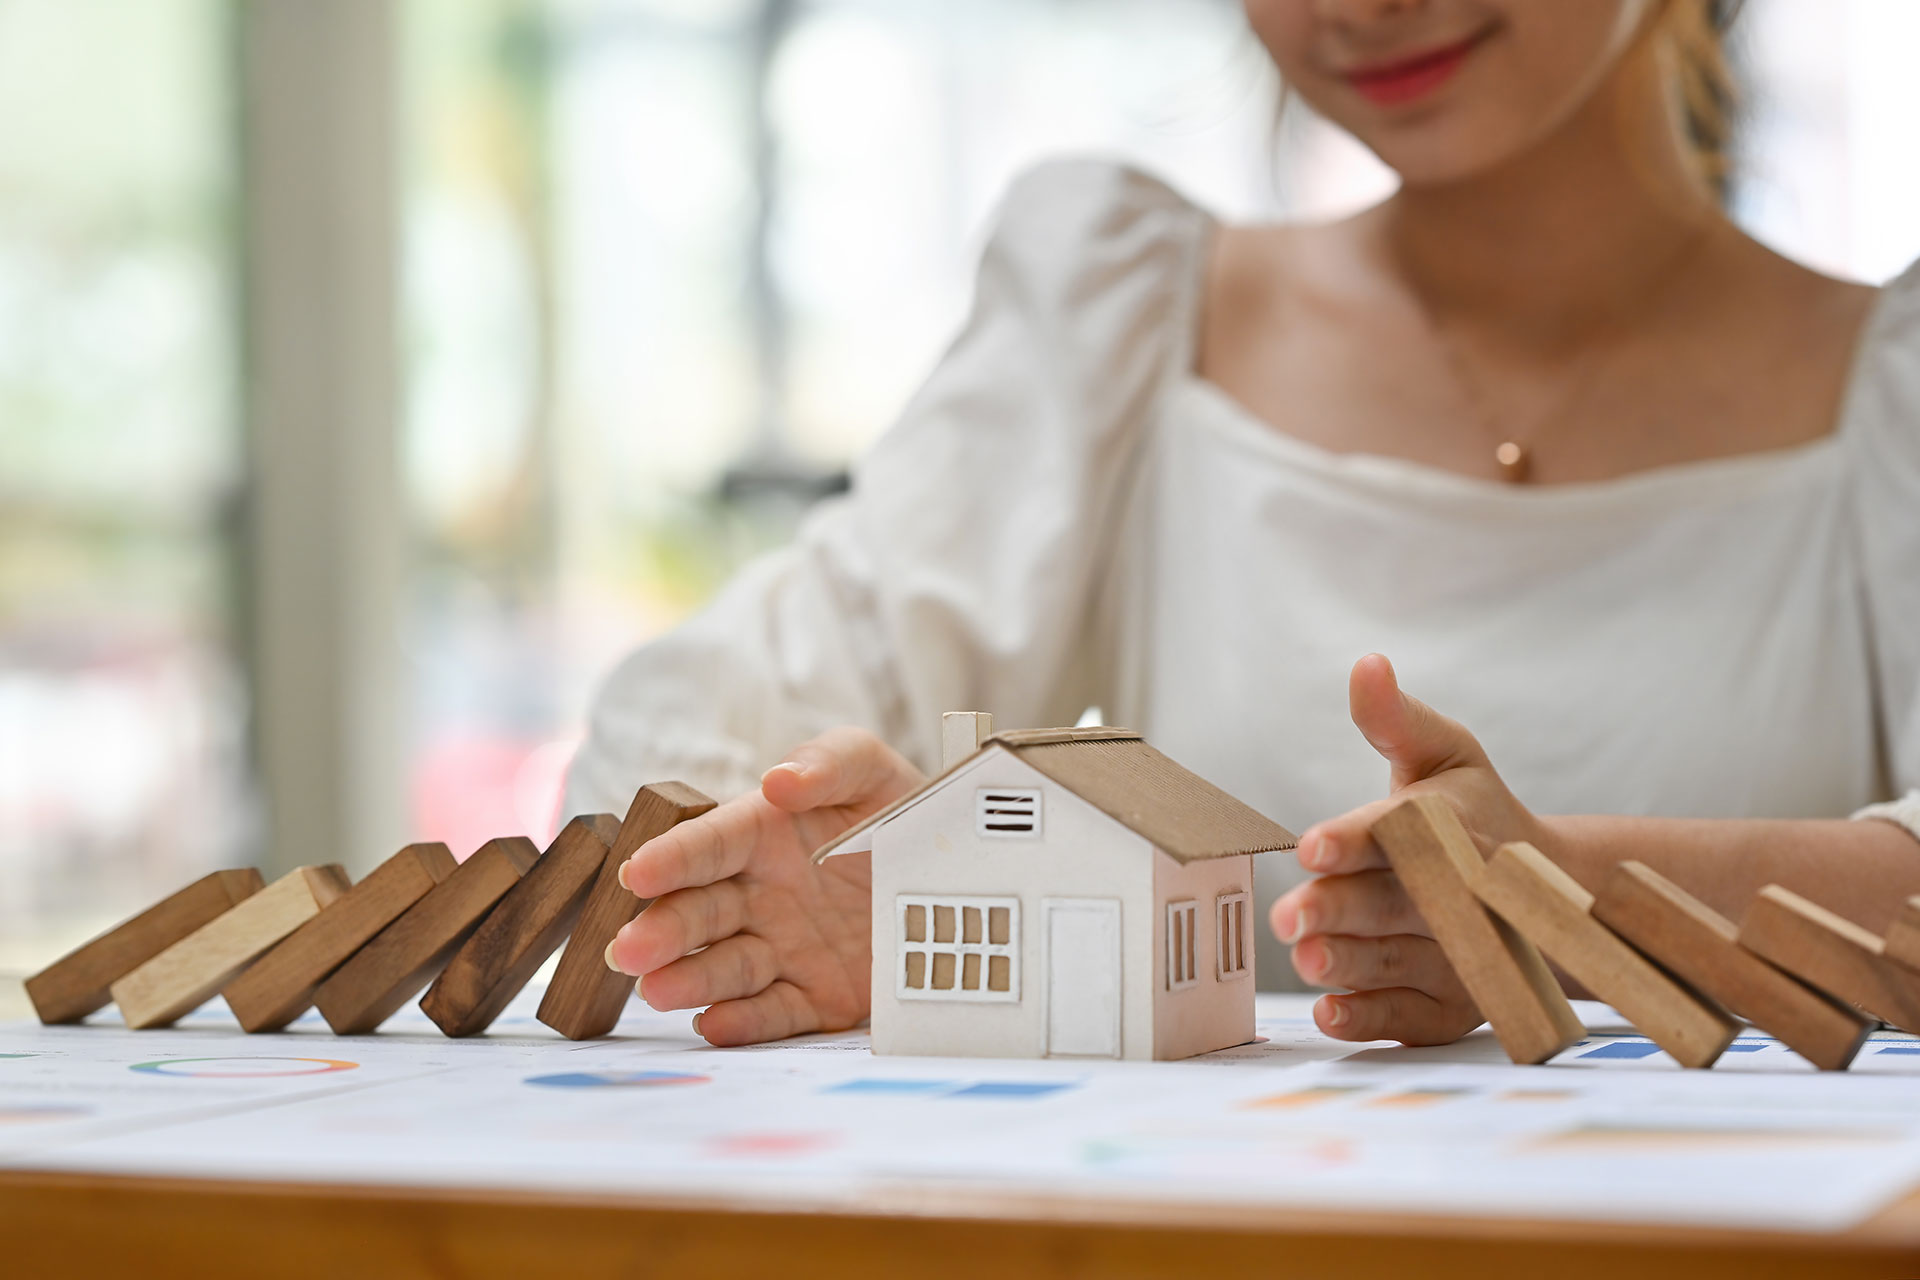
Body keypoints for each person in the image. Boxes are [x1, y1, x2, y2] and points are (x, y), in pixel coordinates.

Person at [570, 0, 1920, 1050]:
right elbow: (682, 740)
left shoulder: (1891, 390)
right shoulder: (1117, 323)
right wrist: (914, 901)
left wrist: (1564, 897)